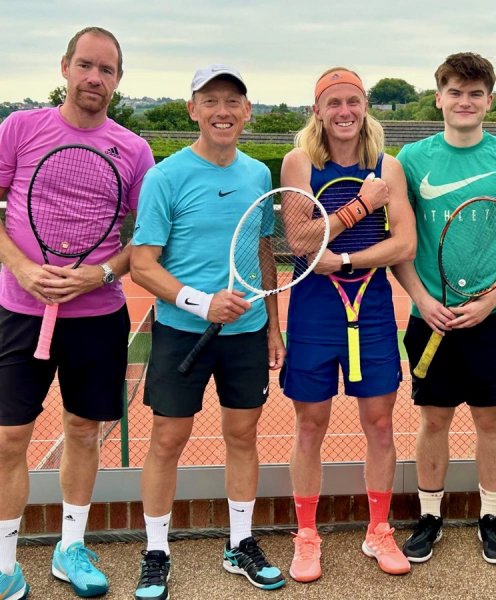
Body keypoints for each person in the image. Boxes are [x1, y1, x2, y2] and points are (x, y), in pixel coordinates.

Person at [0, 27, 154, 599]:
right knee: (9, 438)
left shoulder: (134, 150)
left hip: (97, 317)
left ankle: (71, 547)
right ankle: (4, 560)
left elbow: (140, 243)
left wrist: (102, 273)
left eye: (107, 70)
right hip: (18, 311)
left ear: (118, 80)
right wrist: (19, 267)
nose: (95, 78)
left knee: (84, 431)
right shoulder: (19, 128)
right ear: (65, 67)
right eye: (86, 65)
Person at [130, 65, 285, 599]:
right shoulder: (165, 176)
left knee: (242, 437)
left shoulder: (256, 176)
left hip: (247, 332)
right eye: (211, 100)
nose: (223, 110)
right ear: (193, 109)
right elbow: (143, 263)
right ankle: (155, 551)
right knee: (168, 440)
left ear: (247, 111)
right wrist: (202, 303)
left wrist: (273, 327)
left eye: (233, 101)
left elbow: (263, 249)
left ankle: (240, 543)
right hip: (181, 332)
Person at [393, 52, 496, 565]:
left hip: (490, 320)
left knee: (489, 421)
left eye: (475, 93)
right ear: (439, 97)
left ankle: (491, 517)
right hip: (428, 318)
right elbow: (400, 242)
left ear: (489, 100)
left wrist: (492, 300)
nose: (465, 101)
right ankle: (430, 515)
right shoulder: (410, 161)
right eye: (455, 91)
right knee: (433, 420)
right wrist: (421, 298)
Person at [279, 67, 416, 582]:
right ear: (317, 110)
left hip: (372, 307)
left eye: (353, 101)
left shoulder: (389, 167)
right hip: (314, 310)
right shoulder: (298, 163)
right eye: (333, 102)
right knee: (310, 425)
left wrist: (350, 262)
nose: (344, 111)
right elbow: (300, 241)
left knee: (380, 423)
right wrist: (363, 205)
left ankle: (378, 530)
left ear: (365, 106)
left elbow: (404, 245)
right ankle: (307, 535)